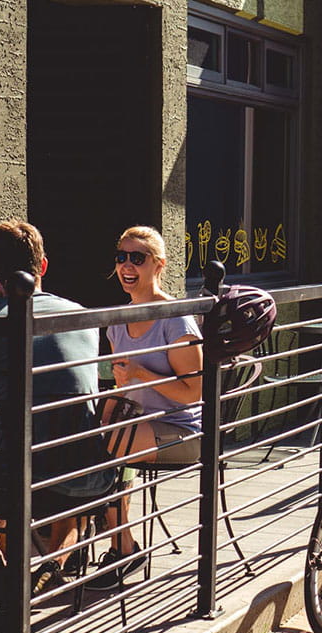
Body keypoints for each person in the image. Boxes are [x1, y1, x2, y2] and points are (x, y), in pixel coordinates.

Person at [0, 220, 115, 594]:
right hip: (88, 475)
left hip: (15, 477)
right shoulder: (81, 315)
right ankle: (49, 566)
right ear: (43, 265)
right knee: (65, 464)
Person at [86, 225, 203, 591]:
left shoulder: (175, 319)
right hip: (137, 425)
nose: (127, 265)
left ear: (159, 265)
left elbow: (194, 392)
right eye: (121, 257)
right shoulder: (118, 322)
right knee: (79, 434)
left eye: (137, 258)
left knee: (104, 447)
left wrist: (141, 373)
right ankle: (76, 541)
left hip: (181, 430)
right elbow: (125, 389)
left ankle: (123, 548)